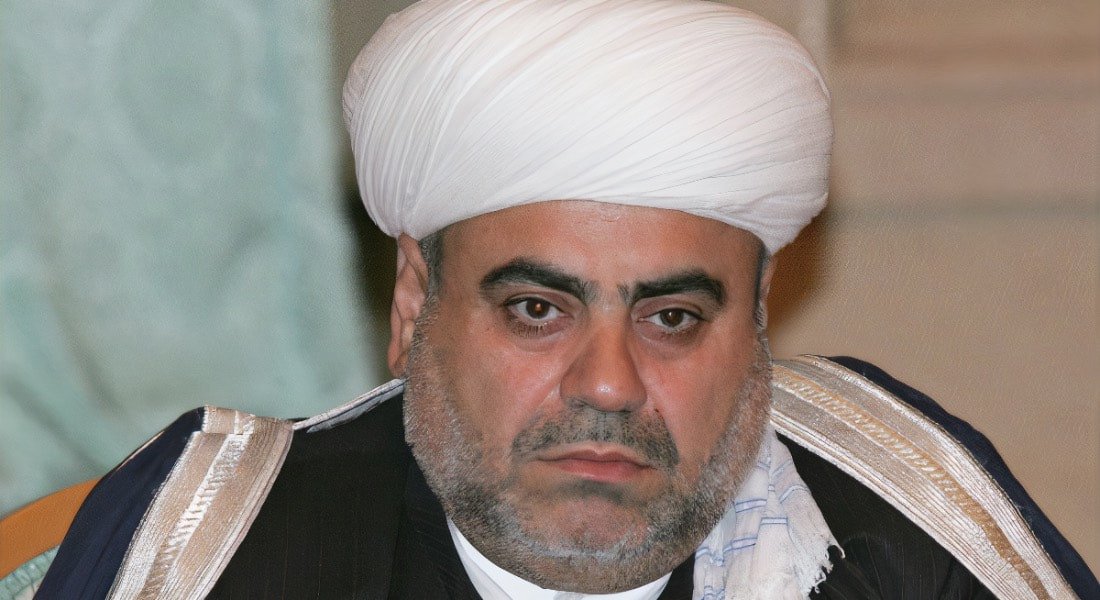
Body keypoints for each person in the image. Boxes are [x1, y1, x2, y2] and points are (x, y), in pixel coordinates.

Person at [16, 0, 1097, 598]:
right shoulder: (217, 549)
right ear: (414, 304)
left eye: (673, 318)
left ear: (758, 329)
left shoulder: (900, 515)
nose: (609, 384)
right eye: (538, 309)